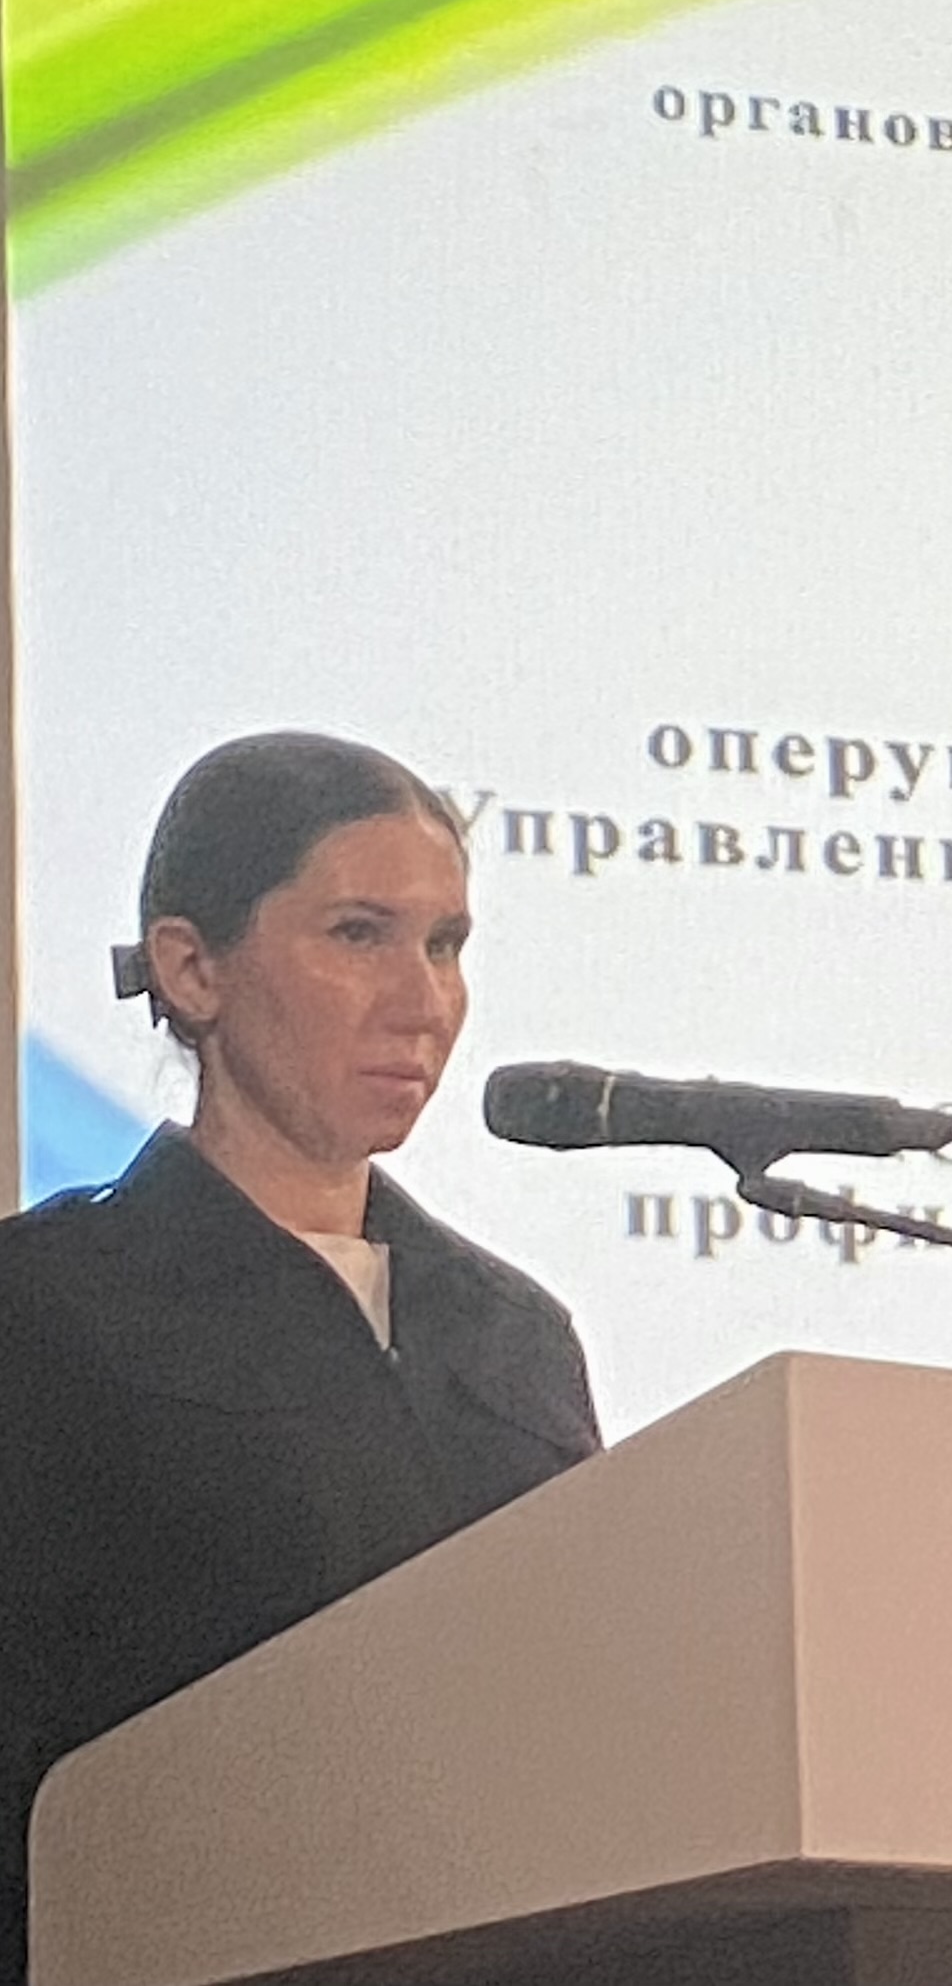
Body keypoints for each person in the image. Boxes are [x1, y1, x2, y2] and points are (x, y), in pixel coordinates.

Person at [0, 733, 600, 1983]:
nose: (423, 1000)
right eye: (359, 934)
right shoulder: (45, 1309)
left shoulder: (513, 1336)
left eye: (446, 944)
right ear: (192, 968)